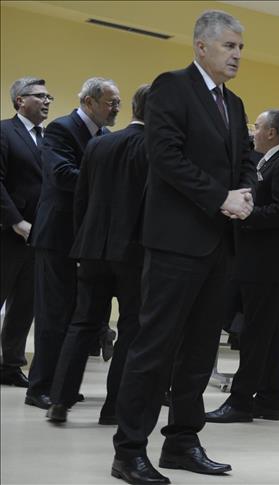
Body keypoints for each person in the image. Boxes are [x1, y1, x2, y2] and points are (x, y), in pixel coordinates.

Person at [110, 10, 256, 485]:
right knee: (154, 348)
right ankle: (129, 450)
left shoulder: (233, 103)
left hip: (219, 245)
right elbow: (165, 157)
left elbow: (245, 159)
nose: (237, 55)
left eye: (240, 47)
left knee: (199, 352)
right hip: (175, 244)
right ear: (201, 46)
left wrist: (246, 193)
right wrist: (220, 197)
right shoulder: (171, 87)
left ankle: (182, 442)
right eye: (229, 46)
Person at [45, 84, 150, 425]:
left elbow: (82, 199)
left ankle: (59, 401)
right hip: (133, 252)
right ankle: (114, 407)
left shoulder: (99, 144)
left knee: (82, 323)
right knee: (131, 327)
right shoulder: (156, 149)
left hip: (91, 248)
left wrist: (82, 242)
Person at [205, 109, 279, 423]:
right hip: (264, 263)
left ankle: (240, 402)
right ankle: (269, 399)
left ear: (272, 132)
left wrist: (244, 214)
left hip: (268, 265)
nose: (253, 133)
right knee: (270, 334)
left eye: (258, 127)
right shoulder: (273, 160)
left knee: (254, 334)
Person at [26, 77, 120, 409]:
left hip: (84, 237)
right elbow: (61, 174)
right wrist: (111, 185)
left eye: (118, 103)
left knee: (73, 315)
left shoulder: (104, 137)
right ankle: (39, 387)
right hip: (57, 234)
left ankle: (61, 386)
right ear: (89, 102)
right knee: (53, 315)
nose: (116, 108)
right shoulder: (61, 129)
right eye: (111, 102)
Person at [0, 77, 51, 388]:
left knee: (24, 305)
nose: (47, 101)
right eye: (40, 96)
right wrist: (16, 221)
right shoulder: (4, 131)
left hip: (39, 234)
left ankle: (10, 365)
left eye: (49, 97)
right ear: (20, 100)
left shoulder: (48, 137)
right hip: (8, 233)